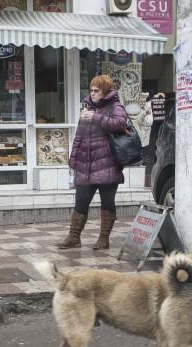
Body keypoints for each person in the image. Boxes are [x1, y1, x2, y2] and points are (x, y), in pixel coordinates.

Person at [60, 74, 127, 250]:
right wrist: (73, 159)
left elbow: (120, 123)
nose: (93, 93)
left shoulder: (115, 106)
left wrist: (96, 117)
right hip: (85, 165)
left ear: (105, 92)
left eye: (97, 90)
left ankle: (103, 239)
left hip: (108, 165)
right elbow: (79, 136)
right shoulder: (87, 107)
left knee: (107, 203)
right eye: (91, 90)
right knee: (80, 201)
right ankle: (74, 237)